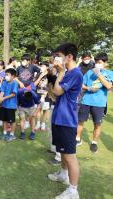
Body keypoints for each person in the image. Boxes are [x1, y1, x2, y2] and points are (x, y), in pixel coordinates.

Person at [47, 43, 83, 199]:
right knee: (61, 151)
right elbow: (54, 95)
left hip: (67, 119)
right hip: (58, 116)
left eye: (59, 56)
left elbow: (58, 90)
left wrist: (59, 73)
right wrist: (50, 76)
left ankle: (73, 190)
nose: (57, 59)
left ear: (69, 56)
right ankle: (63, 174)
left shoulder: (75, 73)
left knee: (70, 155)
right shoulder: (67, 73)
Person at [76, 53, 113, 153]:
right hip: (86, 100)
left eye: (100, 62)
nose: (97, 64)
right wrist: (89, 88)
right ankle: (77, 139)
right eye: (96, 62)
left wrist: (99, 74)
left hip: (99, 103)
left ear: (105, 63)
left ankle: (94, 142)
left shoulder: (110, 73)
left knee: (97, 124)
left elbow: (109, 86)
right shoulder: (89, 72)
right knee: (80, 121)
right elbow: (81, 84)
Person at [0, 68, 18, 142]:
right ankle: (5, 132)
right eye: (5, 75)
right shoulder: (4, 82)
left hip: (11, 105)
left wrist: (4, 98)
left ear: (13, 76)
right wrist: (0, 100)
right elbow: (2, 91)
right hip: (4, 105)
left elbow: (13, 93)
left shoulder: (15, 83)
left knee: (12, 120)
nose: (6, 76)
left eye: (7, 75)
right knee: (4, 119)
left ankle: (12, 134)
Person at [34, 62, 51, 131]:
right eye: (41, 66)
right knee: (38, 109)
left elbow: (50, 86)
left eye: (43, 66)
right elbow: (34, 84)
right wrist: (40, 76)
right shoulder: (38, 74)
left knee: (45, 110)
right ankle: (38, 123)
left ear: (47, 67)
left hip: (47, 95)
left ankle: (43, 124)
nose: (42, 67)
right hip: (38, 94)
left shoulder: (50, 75)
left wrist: (44, 95)